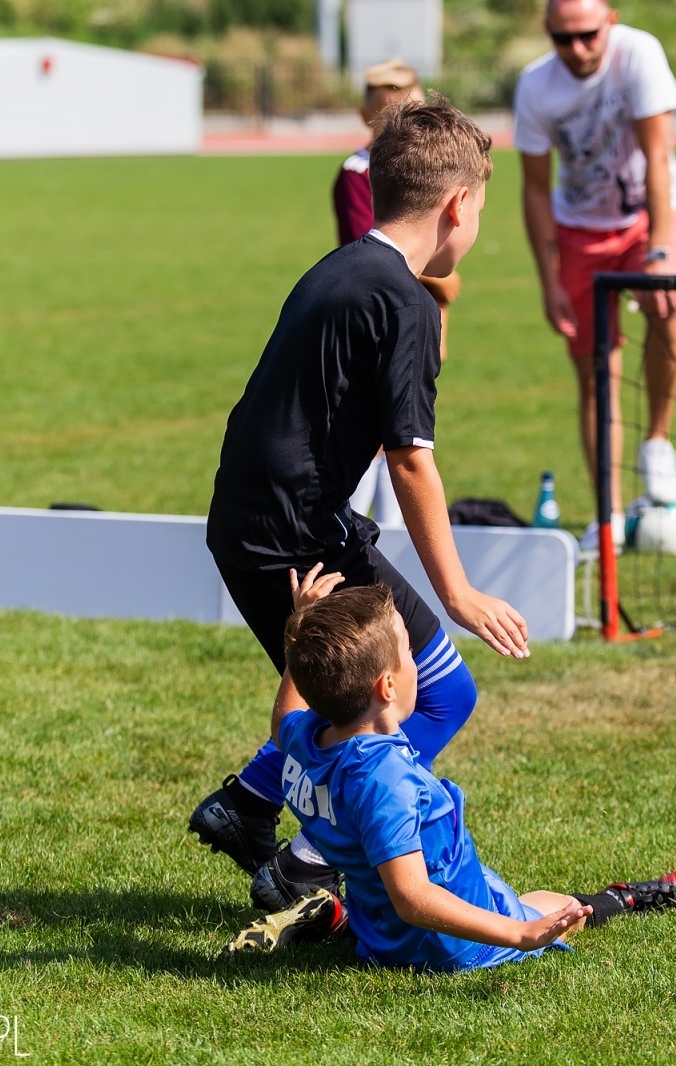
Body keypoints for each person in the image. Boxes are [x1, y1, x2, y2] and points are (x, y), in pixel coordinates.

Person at [189, 97, 531, 929]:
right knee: (436, 696)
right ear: (458, 205)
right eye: (482, 208)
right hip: (295, 530)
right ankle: (309, 858)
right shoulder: (406, 302)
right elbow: (411, 459)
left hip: (263, 519)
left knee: (368, 701)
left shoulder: (339, 268)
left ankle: (251, 802)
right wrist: (459, 592)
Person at [226, 582, 676, 965]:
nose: (416, 662)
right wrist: (517, 934)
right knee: (554, 910)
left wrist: (301, 629)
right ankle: (624, 900)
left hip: (381, 926)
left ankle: (339, 917)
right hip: (446, 944)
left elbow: (283, 719)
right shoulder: (382, 780)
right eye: (408, 653)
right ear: (388, 685)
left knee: (517, 900)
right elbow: (413, 896)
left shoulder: (310, 739)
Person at [515, 0, 676, 551]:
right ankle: (607, 516)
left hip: (646, 216)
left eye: (588, 35)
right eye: (563, 38)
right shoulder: (535, 85)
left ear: (610, 20)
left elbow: (658, 155)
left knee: (668, 308)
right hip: (579, 229)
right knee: (596, 370)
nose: (577, 49)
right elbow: (536, 188)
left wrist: (661, 249)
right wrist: (549, 280)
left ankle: (657, 445)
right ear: (547, 32)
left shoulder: (638, 54)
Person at [337, 60, 465, 530]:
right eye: (386, 110)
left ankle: (397, 534)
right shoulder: (358, 170)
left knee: (407, 426)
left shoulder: (429, 168)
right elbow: (374, 242)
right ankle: (350, 525)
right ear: (364, 113)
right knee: (377, 429)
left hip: (416, 305)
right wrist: (439, 280)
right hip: (379, 307)